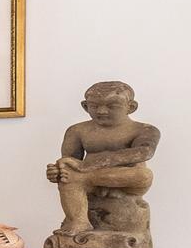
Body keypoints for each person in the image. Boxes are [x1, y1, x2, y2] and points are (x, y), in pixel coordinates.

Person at [46, 81, 158, 235]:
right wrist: (58, 171)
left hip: (128, 180)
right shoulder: (77, 131)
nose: (102, 111)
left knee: (144, 175)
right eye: (94, 106)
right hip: (88, 182)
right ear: (85, 106)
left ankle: (85, 183)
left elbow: (144, 152)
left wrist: (89, 166)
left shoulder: (144, 130)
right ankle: (79, 222)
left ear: (130, 107)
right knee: (69, 178)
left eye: (112, 106)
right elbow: (70, 162)